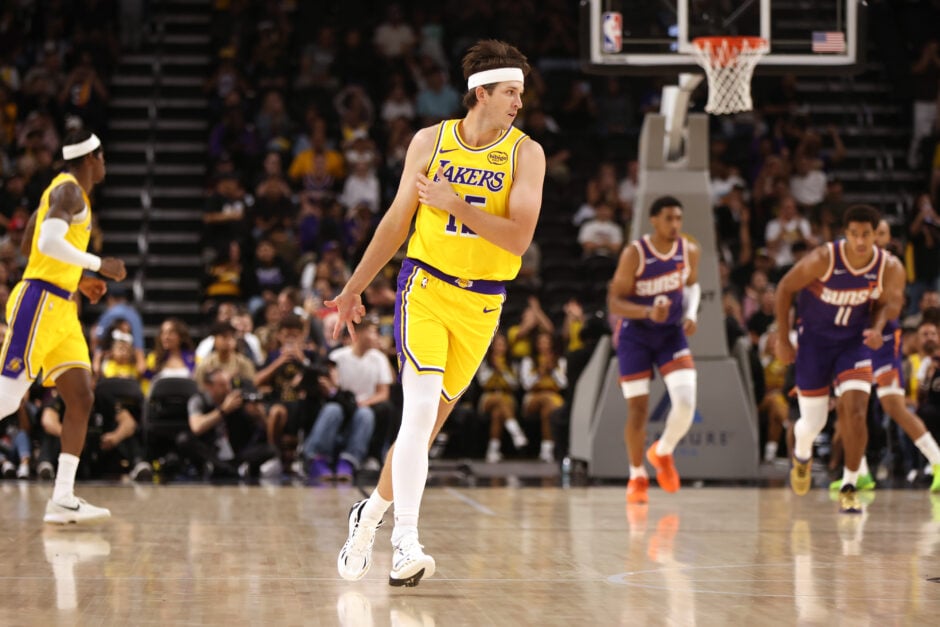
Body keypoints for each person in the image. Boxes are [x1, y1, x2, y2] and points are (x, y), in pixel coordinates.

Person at [328, 40, 545, 587]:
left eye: (520, 93)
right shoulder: (431, 141)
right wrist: (354, 288)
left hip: (483, 303)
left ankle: (368, 516)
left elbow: (518, 239)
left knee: (420, 435)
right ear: (481, 93)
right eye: (511, 92)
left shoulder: (526, 154)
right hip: (424, 286)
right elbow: (397, 221)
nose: (519, 102)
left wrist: (456, 206)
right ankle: (406, 544)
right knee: (419, 411)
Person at [0, 129, 125, 523]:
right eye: (103, 157)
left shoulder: (62, 193)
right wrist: (97, 264)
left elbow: (28, 245)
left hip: (62, 307)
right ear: (92, 157)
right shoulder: (69, 191)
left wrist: (75, 278)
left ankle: (63, 497)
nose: (104, 164)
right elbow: (48, 243)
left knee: (81, 395)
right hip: (38, 302)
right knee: (6, 396)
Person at [774, 205, 905, 514]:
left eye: (867, 235)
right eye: (855, 234)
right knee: (814, 422)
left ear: (876, 235)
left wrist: (876, 328)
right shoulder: (824, 258)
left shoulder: (889, 266)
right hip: (815, 343)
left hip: (853, 343)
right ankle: (802, 455)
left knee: (857, 411)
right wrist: (782, 339)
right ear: (846, 234)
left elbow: (888, 306)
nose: (861, 241)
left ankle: (849, 485)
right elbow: (783, 289)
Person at [828, 220, 940, 493]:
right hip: (855, 340)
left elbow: (891, 309)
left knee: (893, 406)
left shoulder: (892, 267)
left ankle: (937, 461)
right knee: (847, 407)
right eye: (870, 233)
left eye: (880, 233)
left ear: (889, 238)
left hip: (884, 340)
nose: (874, 238)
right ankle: (858, 472)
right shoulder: (852, 262)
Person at [606, 195, 701, 505]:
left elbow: (692, 285)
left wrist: (691, 313)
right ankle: (636, 475)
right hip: (636, 334)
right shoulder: (636, 254)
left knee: (686, 404)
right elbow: (615, 302)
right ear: (654, 220)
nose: (675, 225)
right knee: (638, 411)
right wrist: (647, 313)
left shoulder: (689, 250)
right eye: (669, 218)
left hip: (671, 334)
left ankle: (662, 452)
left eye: (679, 219)